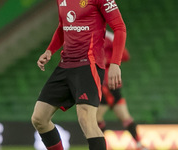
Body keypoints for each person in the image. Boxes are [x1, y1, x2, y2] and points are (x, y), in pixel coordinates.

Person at [31, 0, 126, 149]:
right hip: (66, 64)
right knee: (39, 118)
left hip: (89, 64)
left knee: (86, 119)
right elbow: (63, 27)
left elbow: (119, 27)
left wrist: (115, 63)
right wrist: (49, 50)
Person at [97, 30, 148, 150]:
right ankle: (101, 146)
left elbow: (125, 56)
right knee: (97, 118)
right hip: (101, 86)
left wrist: (108, 59)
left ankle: (139, 145)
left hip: (111, 86)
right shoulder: (90, 36)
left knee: (122, 117)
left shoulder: (109, 37)